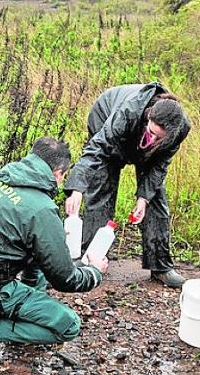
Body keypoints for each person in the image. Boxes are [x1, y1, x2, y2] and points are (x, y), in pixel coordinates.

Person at [0, 137, 109, 370]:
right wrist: (94, 272)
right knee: (69, 326)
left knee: (32, 251)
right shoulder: (41, 209)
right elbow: (65, 279)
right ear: (58, 173)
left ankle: (1, 311)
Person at [64, 82, 191, 287]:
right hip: (106, 116)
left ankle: (160, 266)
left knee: (156, 198)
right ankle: (90, 260)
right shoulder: (129, 112)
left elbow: (159, 166)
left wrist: (143, 198)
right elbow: (98, 148)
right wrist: (77, 187)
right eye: (151, 132)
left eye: (158, 138)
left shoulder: (180, 128)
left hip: (145, 144)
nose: (151, 139)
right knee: (102, 188)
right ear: (149, 116)